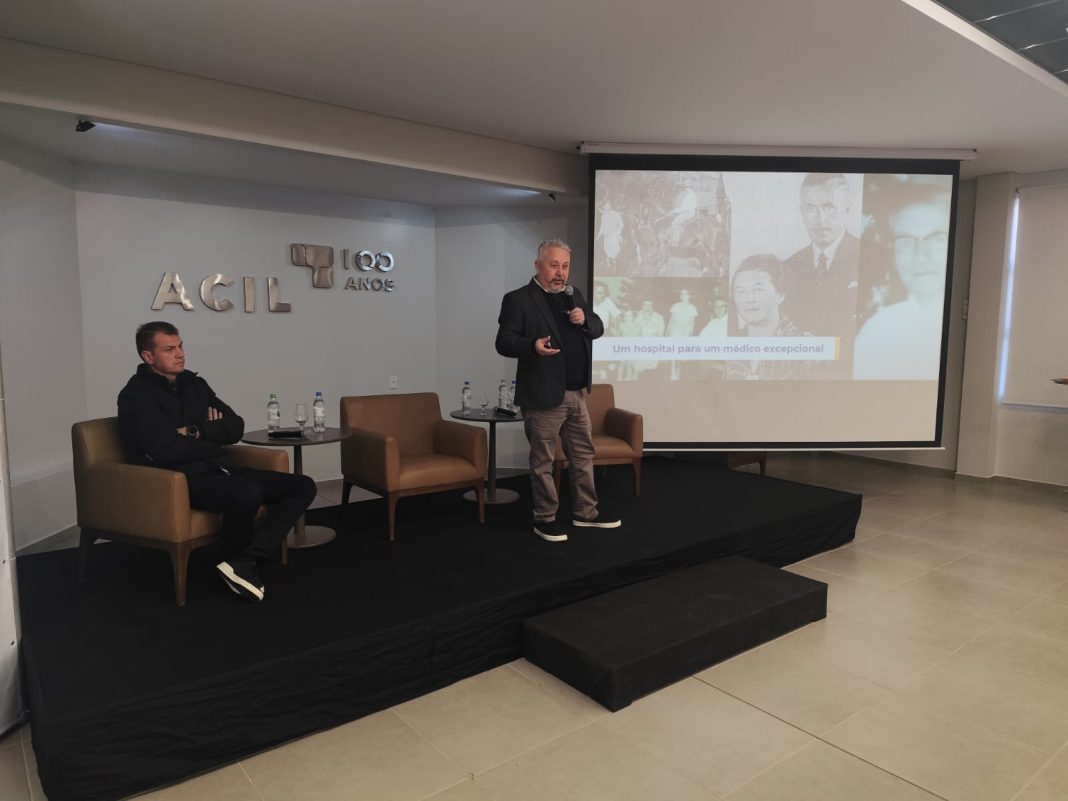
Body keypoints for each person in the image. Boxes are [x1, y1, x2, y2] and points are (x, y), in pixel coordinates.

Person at [117, 321, 317, 602]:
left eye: (181, 346)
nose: (180, 354)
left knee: (303, 485)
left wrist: (193, 431)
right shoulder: (135, 396)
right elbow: (164, 450)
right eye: (169, 349)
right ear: (148, 356)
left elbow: (235, 426)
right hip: (180, 479)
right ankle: (236, 561)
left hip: (219, 468)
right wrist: (210, 436)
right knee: (247, 491)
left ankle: (245, 560)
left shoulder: (195, 384)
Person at [495, 239, 621, 542]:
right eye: (554, 265)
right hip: (543, 395)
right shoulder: (518, 299)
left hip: (577, 393)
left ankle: (585, 512)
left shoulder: (573, 295)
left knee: (583, 455)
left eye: (565, 266)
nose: (560, 272)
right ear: (538, 266)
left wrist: (585, 319)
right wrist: (532, 345)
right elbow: (503, 341)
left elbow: (598, 327)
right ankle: (545, 518)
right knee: (543, 461)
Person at [854, 189, 951, 379]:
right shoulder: (876, 331)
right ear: (893, 254)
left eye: (937, 239)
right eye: (906, 242)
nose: (921, 256)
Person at [783, 173, 860, 377]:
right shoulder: (788, 268)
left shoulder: (871, 258)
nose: (820, 219)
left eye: (829, 207)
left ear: (847, 208)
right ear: (801, 212)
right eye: (811, 209)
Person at [727, 255, 812, 381]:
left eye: (757, 290)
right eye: (740, 291)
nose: (749, 299)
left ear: (780, 295)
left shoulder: (805, 346)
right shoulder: (729, 344)